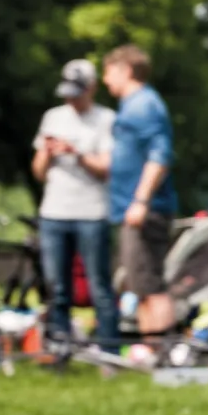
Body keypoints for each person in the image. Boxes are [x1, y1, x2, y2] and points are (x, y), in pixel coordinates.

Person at [30, 59, 121, 356]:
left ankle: (108, 354)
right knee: (56, 289)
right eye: (67, 93)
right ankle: (60, 352)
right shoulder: (53, 118)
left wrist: (76, 153)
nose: (71, 99)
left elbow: (106, 168)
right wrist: (47, 152)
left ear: (92, 88)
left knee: (99, 289)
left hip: (91, 214)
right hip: (54, 213)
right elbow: (39, 172)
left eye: (77, 92)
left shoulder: (107, 119)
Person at [101, 44, 178, 341]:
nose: (106, 81)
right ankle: (151, 350)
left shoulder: (144, 105)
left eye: (108, 73)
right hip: (131, 208)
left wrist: (141, 200)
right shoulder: (132, 105)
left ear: (125, 70)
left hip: (145, 209)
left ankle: (164, 352)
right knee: (141, 285)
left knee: (151, 284)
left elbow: (160, 156)